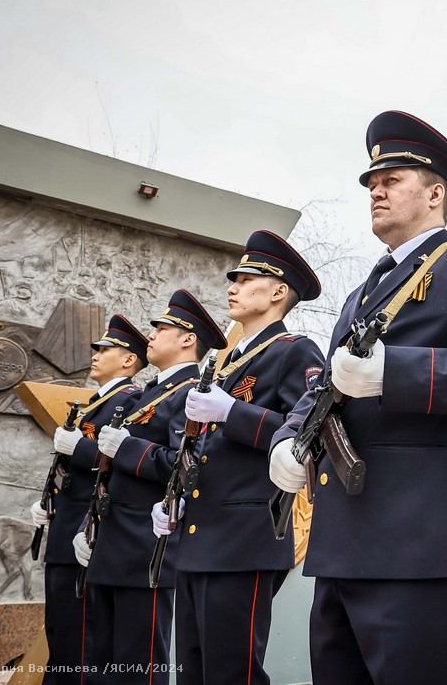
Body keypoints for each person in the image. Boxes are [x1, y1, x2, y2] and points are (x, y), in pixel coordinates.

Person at [269, 110, 447, 685]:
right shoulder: (362, 294)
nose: (376, 190)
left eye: (392, 180)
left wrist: (396, 371)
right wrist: (290, 437)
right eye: (371, 182)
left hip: (421, 550)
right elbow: (327, 385)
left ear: (436, 192)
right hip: (343, 549)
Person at [151, 230, 325, 685]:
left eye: (247, 278)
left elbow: (308, 433)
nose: (232, 286)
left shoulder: (294, 352)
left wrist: (234, 412)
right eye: (234, 279)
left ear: (277, 291)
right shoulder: (223, 366)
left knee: (232, 673)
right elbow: (205, 453)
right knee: (193, 671)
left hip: (244, 539)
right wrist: (178, 498)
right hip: (199, 536)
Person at [72, 290, 226, 685]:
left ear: (188, 339)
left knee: (137, 664)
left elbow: (186, 467)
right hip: (111, 542)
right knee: (98, 662)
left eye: (162, 328)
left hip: (145, 548)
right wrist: (89, 526)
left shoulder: (192, 393)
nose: (151, 335)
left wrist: (127, 447)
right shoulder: (149, 393)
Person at [27, 314, 146, 685]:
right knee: (62, 635)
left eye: (106, 349)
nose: (96, 354)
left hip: (88, 533)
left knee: (82, 646)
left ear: (128, 360)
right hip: (66, 529)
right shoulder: (96, 402)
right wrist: (51, 501)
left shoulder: (131, 401)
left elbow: (119, 465)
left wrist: (79, 449)